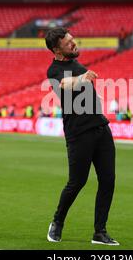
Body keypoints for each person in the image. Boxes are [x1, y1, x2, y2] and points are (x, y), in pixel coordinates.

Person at [45, 27, 118, 246]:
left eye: (72, 39)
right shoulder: (54, 70)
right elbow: (66, 85)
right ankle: (57, 221)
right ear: (57, 50)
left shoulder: (79, 65)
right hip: (79, 134)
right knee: (77, 182)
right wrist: (83, 78)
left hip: (101, 128)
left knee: (108, 180)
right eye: (68, 43)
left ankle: (100, 232)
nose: (74, 44)